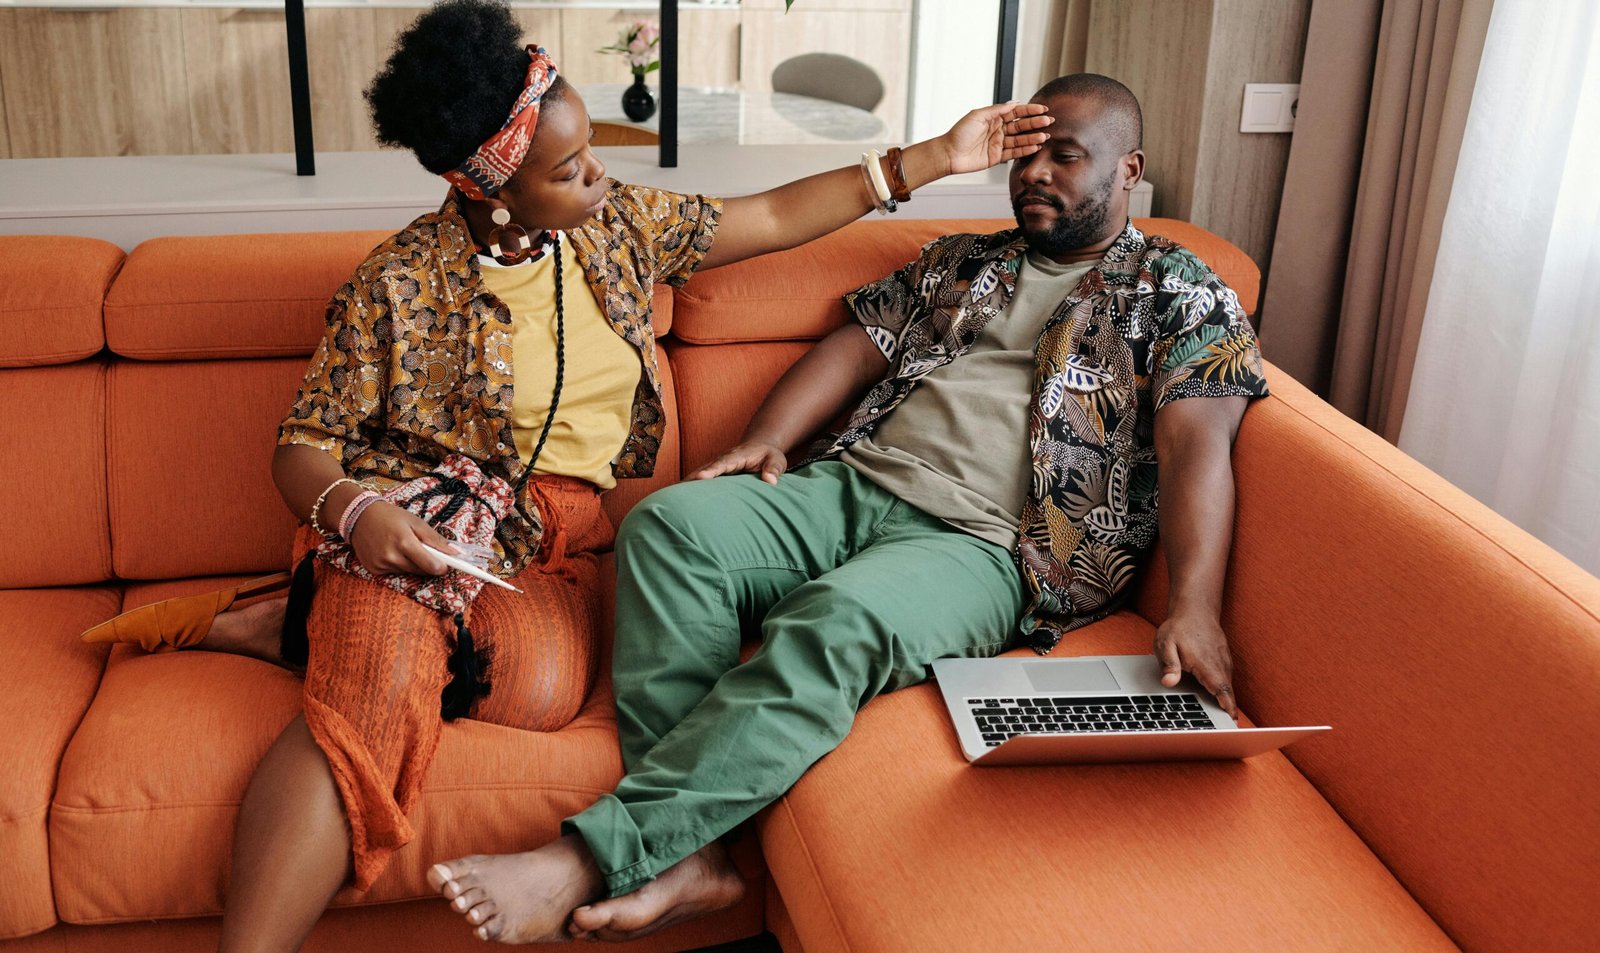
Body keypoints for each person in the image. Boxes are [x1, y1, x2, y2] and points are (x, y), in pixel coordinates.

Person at [77, 1, 1050, 949]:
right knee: (381, 677)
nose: (595, 177)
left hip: (554, 542)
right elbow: (304, 444)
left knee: (545, 684)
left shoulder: (614, 228)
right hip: (416, 524)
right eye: (568, 169)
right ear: (491, 190)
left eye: (591, 154)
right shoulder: (398, 285)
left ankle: (289, 617)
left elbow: (773, 212)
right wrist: (359, 514)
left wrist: (932, 157)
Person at [421, 72, 1270, 944]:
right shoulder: (964, 261)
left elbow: (1195, 447)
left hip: (984, 545)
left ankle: (596, 855)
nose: (1036, 174)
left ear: (1128, 169)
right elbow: (854, 349)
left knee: (836, 623)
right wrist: (768, 437)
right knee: (670, 528)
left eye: (1065, 156)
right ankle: (695, 857)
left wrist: (1195, 604)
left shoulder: (1179, 290)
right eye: (1026, 154)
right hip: (853, 482)